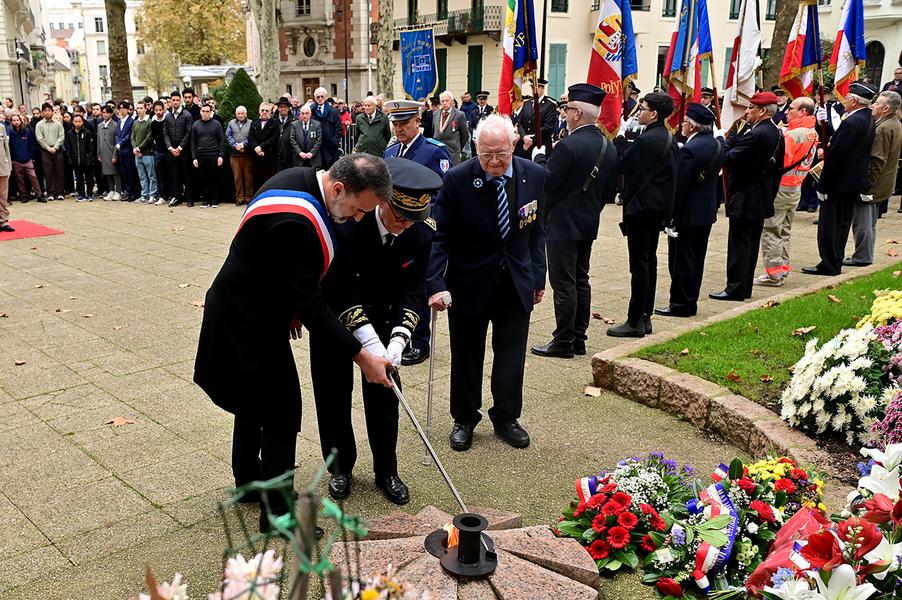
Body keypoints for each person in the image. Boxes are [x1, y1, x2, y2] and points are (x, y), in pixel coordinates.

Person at [194, 154, 393, 533]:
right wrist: (361, 356)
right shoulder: (295, 223)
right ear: (338, 188)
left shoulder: (299, 178)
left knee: (253, 405)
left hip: (247, 307)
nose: (357, 219)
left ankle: (250, 484)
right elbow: (314, 309)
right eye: (356, 209)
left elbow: (282, 272)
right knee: (281, 412)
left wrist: (289, 306)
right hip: (246, 322)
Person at [311, 158, 442, 505]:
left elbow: (414, 290)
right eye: (399, 215)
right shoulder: (347, 223)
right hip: (337, 320)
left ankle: (387, 471)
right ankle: (340, 467)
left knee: (386, 399)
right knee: (332, 394)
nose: (404, 226)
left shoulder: (421, 234)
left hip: (386, 323)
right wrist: (364, 338)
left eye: (412, 219)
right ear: (383, 201)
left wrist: (399, 337)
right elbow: (339, 285)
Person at [428, 114, 546, 451]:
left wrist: (538, 277)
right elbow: (440, 237)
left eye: (500, 154)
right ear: (475, 148)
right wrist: (435, 282)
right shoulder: (457, 179)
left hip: (516, 280)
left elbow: (537, 232)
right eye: (485, 154)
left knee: (511, 355)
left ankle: (506, 417)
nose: (493, 162)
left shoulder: (535, 175)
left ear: (513, 144)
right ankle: (464, 417)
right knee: (466, 354)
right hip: (468, 282)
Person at [530, 83, 617, 357]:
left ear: (577, 113)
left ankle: (564, 341)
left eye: (567, 110)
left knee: (564, 283)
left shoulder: (569, 145)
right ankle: (578, 337)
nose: (564, 114)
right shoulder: (607, 145)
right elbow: (610, 190)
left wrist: (540, 158)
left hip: (562, 223)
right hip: (588, 221)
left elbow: (548, 182)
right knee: (581, 279)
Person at [382, 99, 453, 366]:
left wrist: (424, 222)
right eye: (395, 124)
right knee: (398, 283)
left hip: (421, 229)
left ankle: (420, 340)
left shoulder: (435, 152)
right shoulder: (391, 152)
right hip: (394, 229)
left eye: (403, 124)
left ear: (417, 121)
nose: (398, 129)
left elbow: (441, 195)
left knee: (418, 283)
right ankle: (398, 332)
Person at [607, 92, 678, 337]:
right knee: (649, 262)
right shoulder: (667, 137)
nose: (639, 112)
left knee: (639, 266)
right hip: (656, 209)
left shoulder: (649, 139)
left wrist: (618, 141)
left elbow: (624, 165)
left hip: (640, 209)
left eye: (643, 108)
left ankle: (634, 319)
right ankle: (646, 316)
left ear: (654, 114)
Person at [710, 91, 784, 300]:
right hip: (761, 197)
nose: (747, 111)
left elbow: (728, 157)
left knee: (739, 246)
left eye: (751, 107)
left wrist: (722, 139)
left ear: (762, 111)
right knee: (749, 246)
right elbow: (778, 168)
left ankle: (734, 288)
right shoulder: (776, 132)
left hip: (745, 197)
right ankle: (743, 288)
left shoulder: (756, 134)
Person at [802, 82, 877, 276]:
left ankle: (829, 263)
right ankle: (834, 260)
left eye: (847, 97)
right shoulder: (867, 117)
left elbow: (836, 156)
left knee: (830, 226)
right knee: (842, 225)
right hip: (852, 182)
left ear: (854, 100)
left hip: (838, 183)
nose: (844, 100)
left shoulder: (851, 122)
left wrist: (823, 185)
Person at [656, 103, 723, 318]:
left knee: (681, 261)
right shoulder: (717, 144)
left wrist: (670, 216)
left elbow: (679, 186)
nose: (682, 125)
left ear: (692, 127)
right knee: (696, 259)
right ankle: (690, 300)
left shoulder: (690, 150)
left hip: (687, 214)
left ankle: (680, 304)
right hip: (705, 212)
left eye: (684, 122)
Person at [756, 96, 818, 286]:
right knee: (784, 230)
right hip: (795, 186)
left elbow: (779, 159)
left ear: (803, 112)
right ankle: (782, 269)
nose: (787, 111)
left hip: (781, 187)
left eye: (791, 108)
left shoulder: (793, 135)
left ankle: (774, 274)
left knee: (771, 230)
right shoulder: (811, 132)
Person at [846, 90, 902, 266]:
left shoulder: (884, 128)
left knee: (863, 223)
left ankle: (862, 257)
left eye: (877, 103)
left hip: (875, 184)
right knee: (869, 222)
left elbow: (877, 159)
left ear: (885, 108)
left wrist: (866, 185)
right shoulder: (893, 123)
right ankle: (864, 255)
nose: (873, 106)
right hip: (883, 182)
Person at [190, 104, 225, 208]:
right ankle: (206, 200)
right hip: (200, 155)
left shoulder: (217, 124)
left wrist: (221, 155)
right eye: (203, 111)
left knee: (213, 178)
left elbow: (222, 140)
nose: (205, 113)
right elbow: (193, 142)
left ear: (211, 112)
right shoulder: (196, 125)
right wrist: (194, 157)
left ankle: (215, 200)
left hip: (213, 155)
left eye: (207, 111)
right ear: (200, 112)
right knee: (203, 179)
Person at [165, 91, 193, 206]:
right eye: (173, 100)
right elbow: (165, 134)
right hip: (172, 152)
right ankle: (177, 197)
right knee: (175, 176)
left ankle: (189, 198)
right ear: (170, 101)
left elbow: (188, 132)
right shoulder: (168, 116)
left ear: (180, 101)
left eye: (177, 100)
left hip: (184, 151)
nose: (175, 102)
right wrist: (170, 148)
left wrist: (180, 148)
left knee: (187, 176)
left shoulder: (187, 115)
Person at [518, 78, 559, 157]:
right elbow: (520, 123)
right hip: (525, 145)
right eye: (532, 88)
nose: (533, 90)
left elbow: (548, 127)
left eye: (536, 87)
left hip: (540, 146)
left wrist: (532, 138)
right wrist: (524, 137)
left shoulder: (550, 105)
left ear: (542, 88)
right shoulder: (527, 103)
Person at [8, 113, 42, 202]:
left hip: (28, 159)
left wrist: (31, 155)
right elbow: (9, 146)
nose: (16, 122)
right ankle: (24, 195)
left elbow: (32, 144)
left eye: (17, 120)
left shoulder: (27, 131)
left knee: (33, 177)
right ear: (11, 122)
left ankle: (39, 194)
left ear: (20, 120)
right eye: (14, 120)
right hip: (16, 160)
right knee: (20, 179)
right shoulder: (10, 132)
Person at [431, 91, 470, 165]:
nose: (444, 103)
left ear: (452, 102)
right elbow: (433, 131)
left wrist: (457, 148)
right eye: (442, 101)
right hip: (437, 151)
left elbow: (465, 135)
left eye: (447, 100)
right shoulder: (435, 114)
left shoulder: (459, 115)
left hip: (452, 152)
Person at [35, 102, 65, 201]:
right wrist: (48, 148)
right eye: (45, 111)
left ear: (52, 111)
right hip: (45, 150)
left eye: (49, 110)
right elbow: (39, 139)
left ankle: (60, 192)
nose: (47, 112)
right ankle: (51, 192)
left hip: (57, 149)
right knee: (48, 172)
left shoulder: (58, 124)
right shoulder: (39, 125)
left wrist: (55, 147)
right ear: (42, 113)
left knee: (59, 171)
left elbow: (61, 137)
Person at [227, 105, 254, 206]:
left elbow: (252, 136)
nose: (240, 115)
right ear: (236, 114)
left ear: (246, 114)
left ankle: (249, 198)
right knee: (237, 177)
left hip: (247, 153)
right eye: (238, 113)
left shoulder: (251, 123)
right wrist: (235, 145)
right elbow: (228, 136)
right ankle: (239, 198)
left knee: (248, 177)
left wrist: (243, 144)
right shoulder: (231, 123)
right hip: (234, 154)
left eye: (242, 113)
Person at [131, 100, 157, 203]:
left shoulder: (149, 122)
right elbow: (132, 136)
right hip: (137, 154)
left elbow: (149, 138)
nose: (139, 110)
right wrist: (134, 147)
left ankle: (153, 194)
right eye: (138, 108)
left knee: (151, 175)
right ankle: (144, 194)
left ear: (146, 109)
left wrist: (139, 148)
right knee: (142, 176)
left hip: (147, 154)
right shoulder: (135, 122)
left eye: (141, 108)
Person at [65, 113, 95, 201]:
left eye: (79, 121)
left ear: (83, 122)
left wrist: (89, 158)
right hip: (75, 160)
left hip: (86, 160)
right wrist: (70, 159)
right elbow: (68, 147)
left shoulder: (87, 132)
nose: (77, 123)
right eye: (76, 121)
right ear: (73, 122)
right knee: (79, 178)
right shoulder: (70, 133)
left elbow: (91, 147)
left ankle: (90, 193)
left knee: (89, 178)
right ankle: (81, 194)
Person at [248, 102, 278, 190]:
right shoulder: (254, 123)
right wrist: (256, 148)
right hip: (256, 156)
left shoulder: (274, 124)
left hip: (269, 156)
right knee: (257, 179)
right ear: (259, 111)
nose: (264, 112)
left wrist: (261, 147)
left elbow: (274, 138)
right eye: (262, 110)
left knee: (269, 180)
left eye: (267, 110)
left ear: (270, 112)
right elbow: (250, 137)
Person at [311, 87, 342, 168]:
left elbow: (338, 127)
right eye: (318, 97)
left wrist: (334, 140)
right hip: (315, 145)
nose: (320, 99)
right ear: (315, 98)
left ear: (326, 97)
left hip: (330, 145)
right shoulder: (311, 111)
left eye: (322, 96)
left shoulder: (333, 111)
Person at [96, 106, 121, 200]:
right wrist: (98, 153)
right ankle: (111, 191)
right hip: (103, 152)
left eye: (107, 112)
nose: (105, 114)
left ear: (111, 114)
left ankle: (118, 191)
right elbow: (98, 140)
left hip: (112, 151)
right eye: (103, 112)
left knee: (115, 172)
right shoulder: (99, 125)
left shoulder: (115, 125)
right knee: (107, 173)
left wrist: (115, 155)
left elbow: (116, 141)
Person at [150, 100, 172, 205]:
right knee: (160, 175)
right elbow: (153, 137)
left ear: (164, 109)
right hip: (158, 151)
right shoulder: (153, 123)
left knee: (171, 173)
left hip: (168, 151)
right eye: (156, 110)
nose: (158, 112)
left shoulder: (168, 121)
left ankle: (173, 194)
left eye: (160, 110)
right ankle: (163, 195)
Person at [115, 101, 136, 201]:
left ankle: (133, 192)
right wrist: (117, 142)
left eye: (123, 108)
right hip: (121, 152)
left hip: (128, 150)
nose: (121, 110)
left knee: (130, 172)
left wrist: (121, 143)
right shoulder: (119, 122)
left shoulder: (131, 121)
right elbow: (117, 134)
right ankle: (127, 191)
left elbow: (129, 135)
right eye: (120, 108)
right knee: (124, 173)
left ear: (127, 109)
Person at [274, 97, 295, 172]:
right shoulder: (273, 120)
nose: (282, 109)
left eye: (284, 107)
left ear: (288, 108)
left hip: (289, 155)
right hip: (276, 154)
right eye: (280, 107)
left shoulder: (294, 121)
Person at [0, 117, 11, 232]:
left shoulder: (1, 127)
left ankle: (3, 221)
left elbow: (6, 148)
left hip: (2, 166)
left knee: (3, 196)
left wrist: (9, 167)